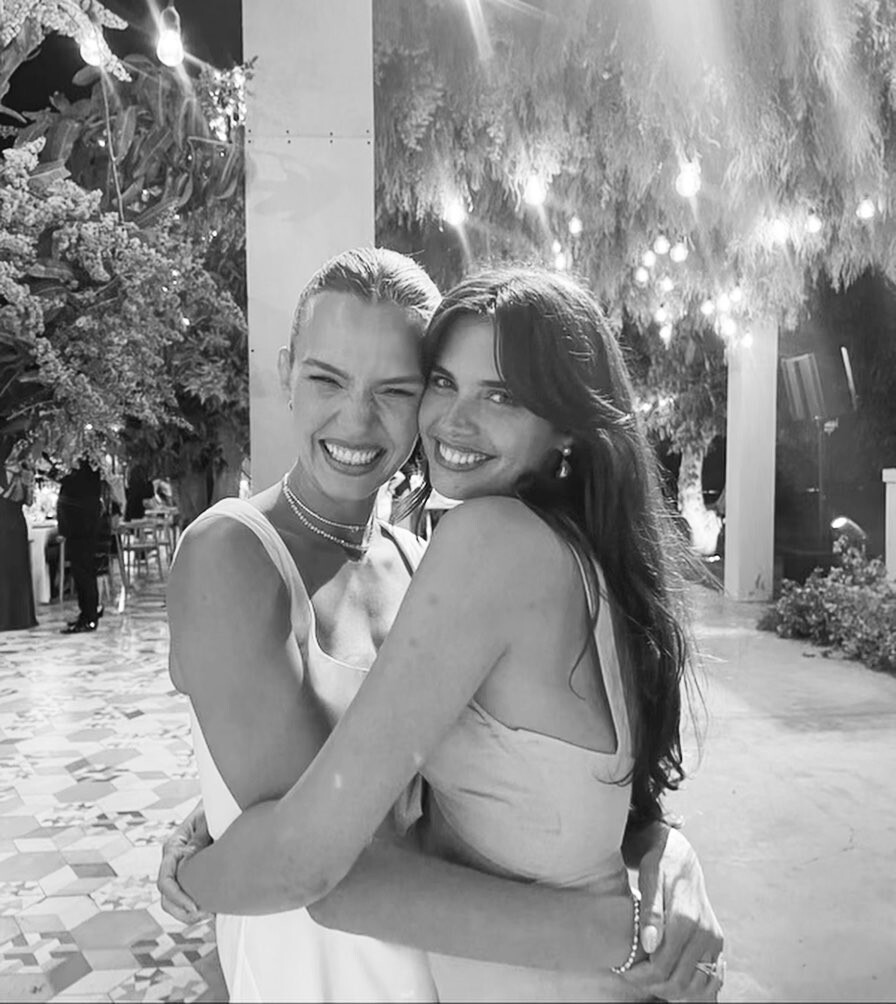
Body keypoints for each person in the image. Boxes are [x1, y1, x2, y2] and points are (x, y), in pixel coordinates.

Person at [159, 251, 724, 1002]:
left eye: (396, 389)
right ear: (286, 372)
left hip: (453, 975)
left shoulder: (433, 558)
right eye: (326, 379)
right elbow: (313, 830)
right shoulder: (232, 551)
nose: (357, 418)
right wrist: (220, 815)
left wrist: (660, 857)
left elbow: (345, 841)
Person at [56, 455, 103, 634]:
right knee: (82, 571)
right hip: (79, 524)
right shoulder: (85, 469)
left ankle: (89, 617)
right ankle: (87, 613)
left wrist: (51, 471)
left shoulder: (85, 470)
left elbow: (72, 484)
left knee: (83, 571)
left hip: (80, 525)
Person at [0, 456, 37, 631]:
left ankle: (8, 617)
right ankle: (21, 616)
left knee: (9, 569)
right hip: (16, 523)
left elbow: (25, 500)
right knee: (14, 569)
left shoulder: (21, 471)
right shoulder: (24, 471)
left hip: (7, 523)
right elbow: (29, 501)